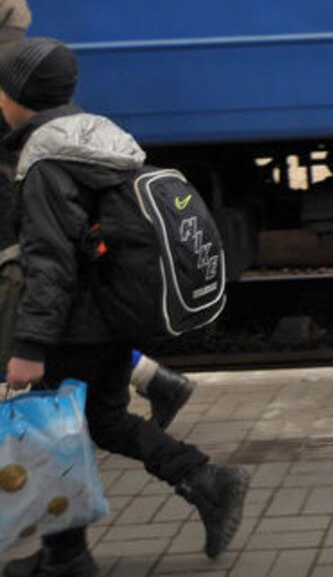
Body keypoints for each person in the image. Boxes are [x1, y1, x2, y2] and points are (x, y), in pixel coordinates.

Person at [0, 38, 249, 577]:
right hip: (114, 308)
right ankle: (206, 482)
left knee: (50, 430)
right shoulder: (95, 133)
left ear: (17, 95)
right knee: (102, 419)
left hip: (78, 322)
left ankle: (67, 557)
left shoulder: (43, 162)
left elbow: (51, 264)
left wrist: (30, 347)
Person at [0, 0, 194, 433]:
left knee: (26, 296)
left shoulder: (11, 74)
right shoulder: (24, 59)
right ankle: (153, 379)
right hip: (24, 197)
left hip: (20, 197)